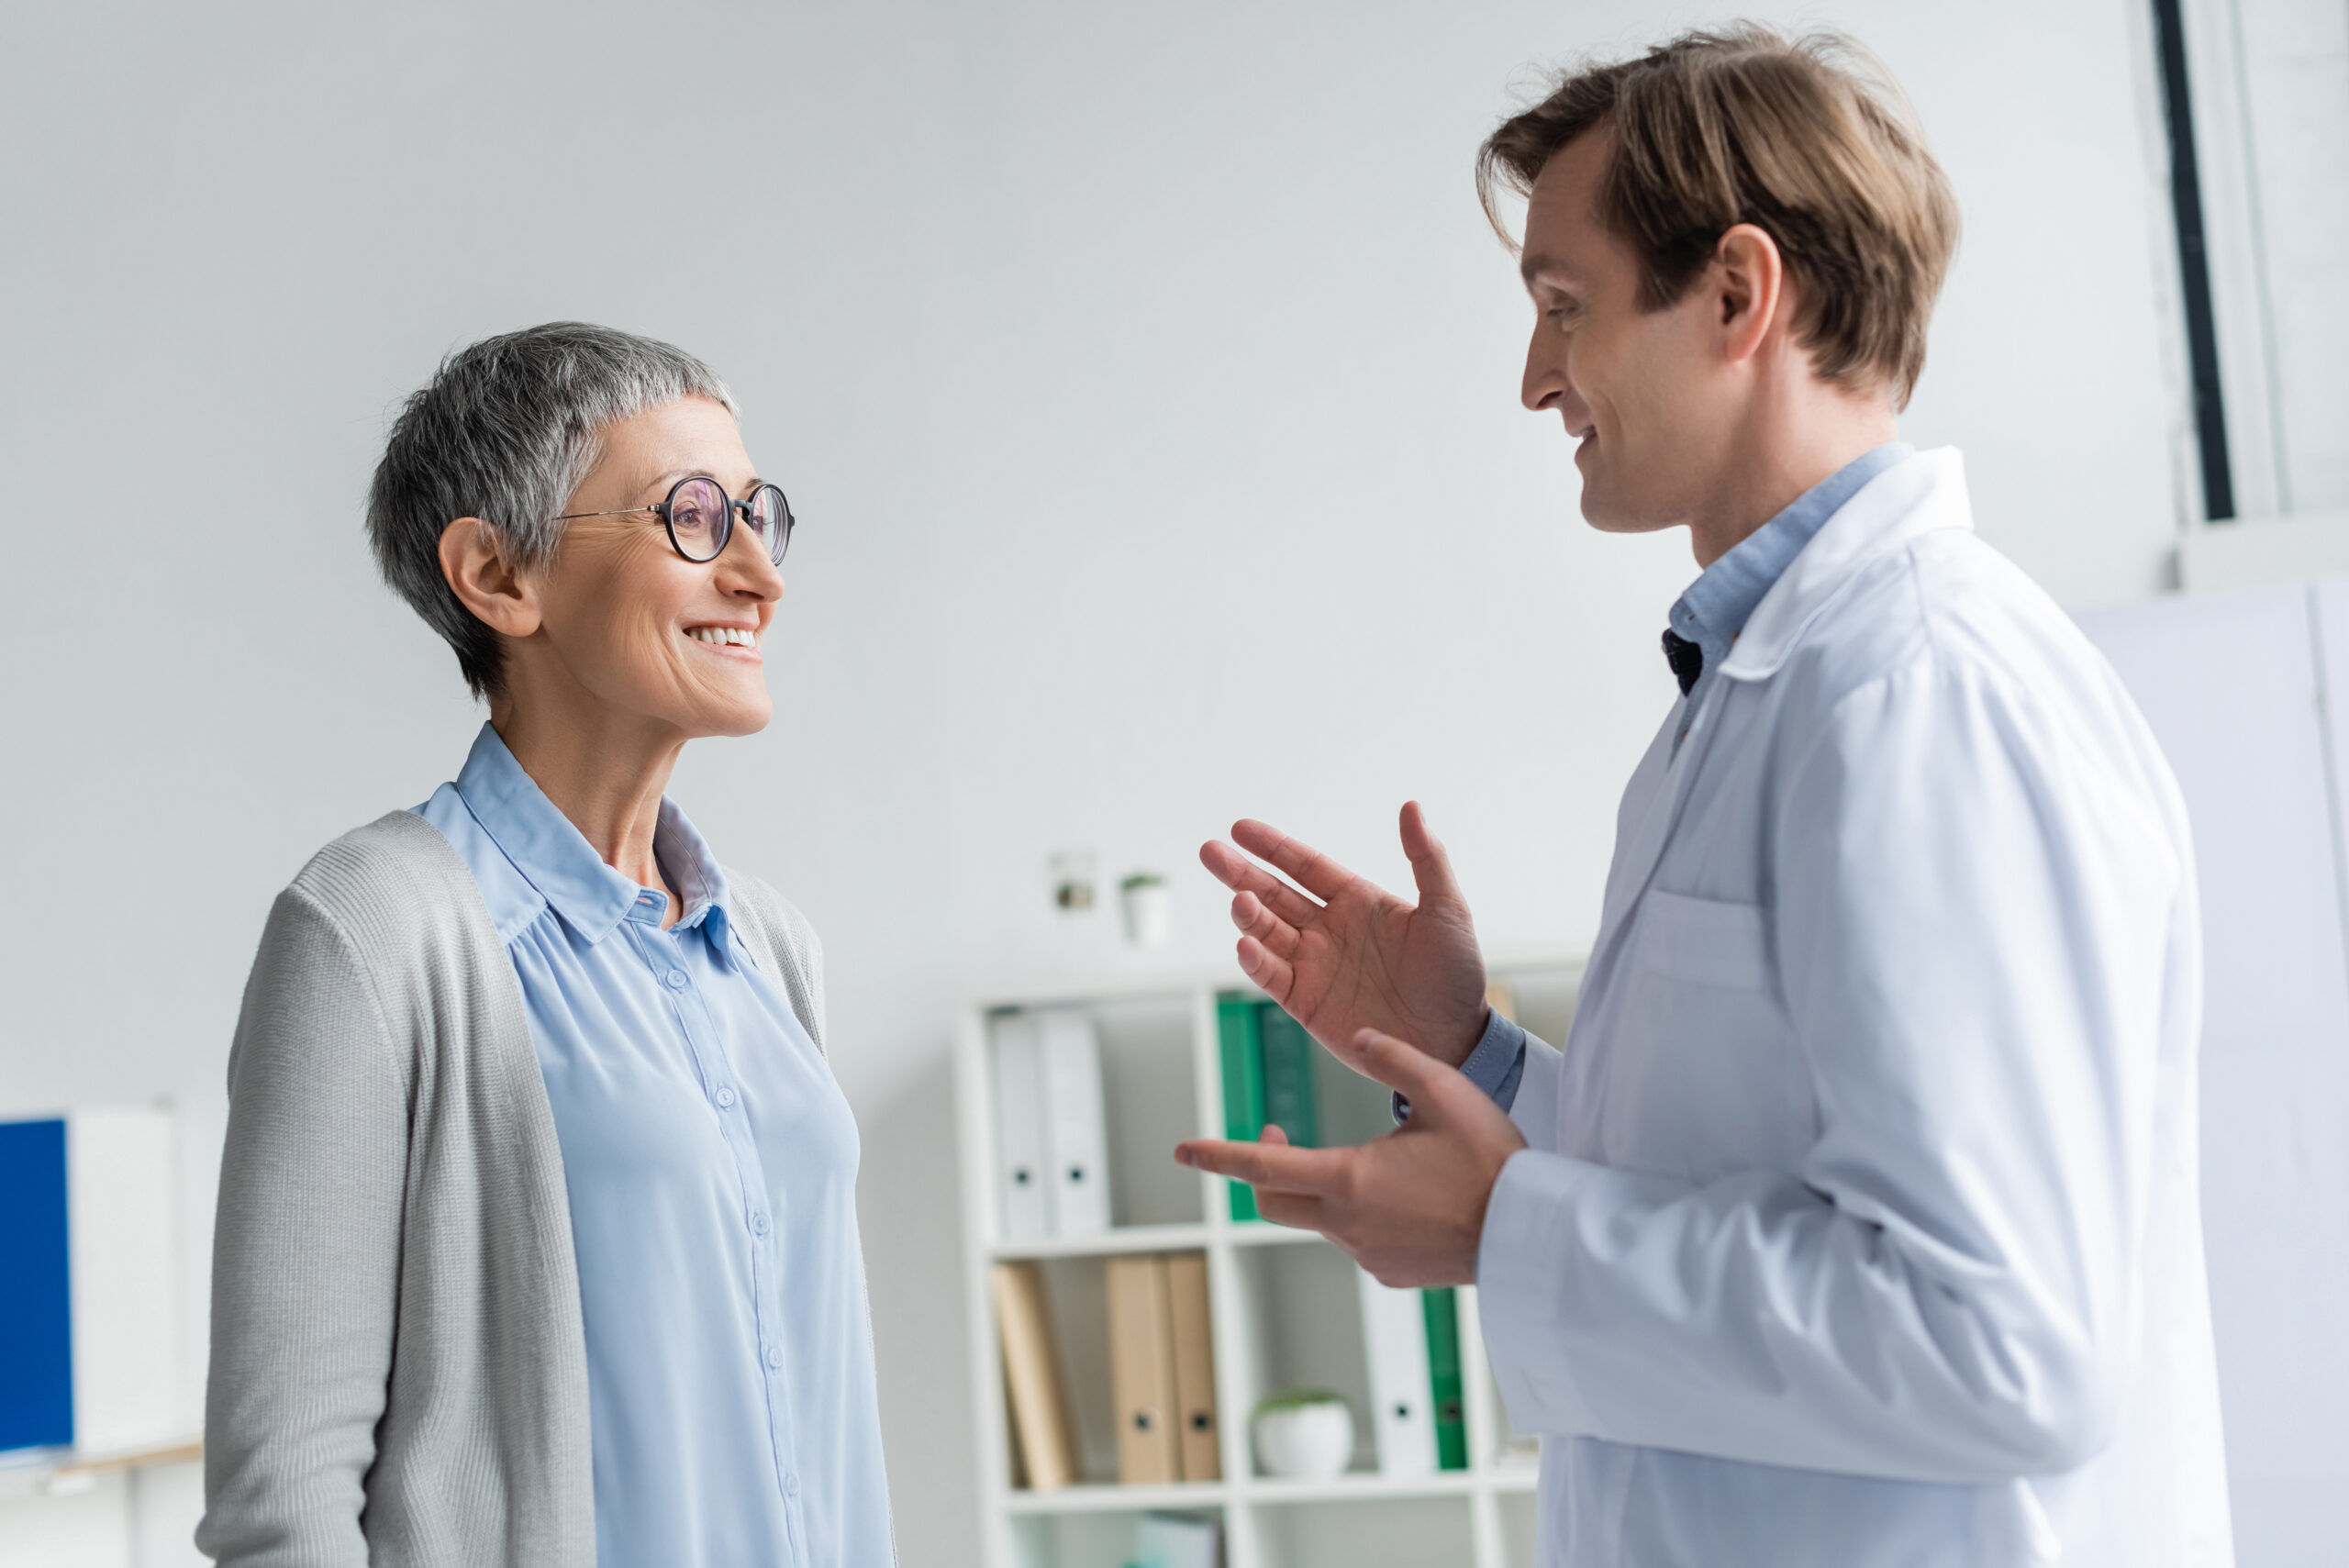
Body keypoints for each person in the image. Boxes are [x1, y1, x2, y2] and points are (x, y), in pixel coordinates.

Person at [1176, 26, 2232, 1568]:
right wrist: (1478, 1057)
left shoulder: (1923, 691)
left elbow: (2009, 1336)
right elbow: (1737, 1178)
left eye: (1563, 308)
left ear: (1739, 293)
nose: (1535, 378)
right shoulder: (1761, 691)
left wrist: (1509, 1233)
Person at [200, 323, 894, 1568]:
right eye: (692, 518)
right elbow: (283, 1500)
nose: (759, 574)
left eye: (759, 515)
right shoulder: (375, 929)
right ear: (498, 575)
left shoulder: (771, 947)